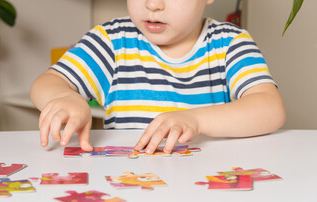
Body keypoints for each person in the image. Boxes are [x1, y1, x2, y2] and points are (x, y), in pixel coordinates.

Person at [30, 0, 286, 154]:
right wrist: (65, 97)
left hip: (208, 186)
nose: (153, 4)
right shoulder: (113, 40)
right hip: (128, 185)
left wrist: (194, 120)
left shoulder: (230, 43)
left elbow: (269, 108)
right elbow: (47, 82)